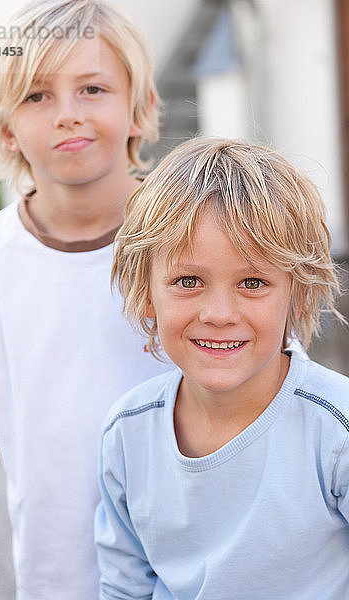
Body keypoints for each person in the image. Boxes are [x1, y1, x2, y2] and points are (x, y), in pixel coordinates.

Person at [0, 1, 171, 598]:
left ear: (141, 107)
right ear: (5, 130)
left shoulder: (192, 238)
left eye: (93, 88)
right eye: (37, 96)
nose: (68, 115)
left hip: (196, 560)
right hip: (58, 572)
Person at [96, 137, 349, 600]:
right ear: (146, 291)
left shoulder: (336, 430)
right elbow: (124, 586)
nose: (219, 312)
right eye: (188, 281)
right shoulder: (127, 434)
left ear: (297, 292)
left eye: (252, 283)